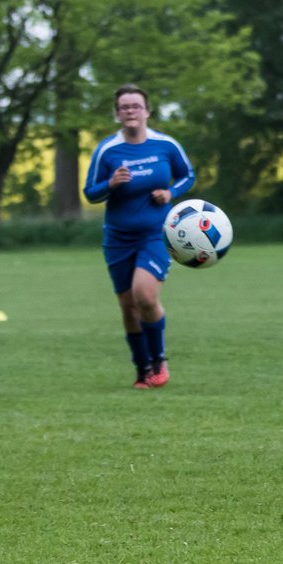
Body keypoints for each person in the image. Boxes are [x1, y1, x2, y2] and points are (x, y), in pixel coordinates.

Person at [83, 84, 196, 389]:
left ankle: (159, 358)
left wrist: (170, 192)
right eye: (124, 107)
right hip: (118, 238)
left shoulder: (165, 145)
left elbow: (188, 175)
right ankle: (142, 367)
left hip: (156, 233)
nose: (130, 111)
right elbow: (91, 193)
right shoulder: (108, 150)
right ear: (117, 114)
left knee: (144, 296)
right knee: (127, 306)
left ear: (147, 111)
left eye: (136, 106)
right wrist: (111, 183)